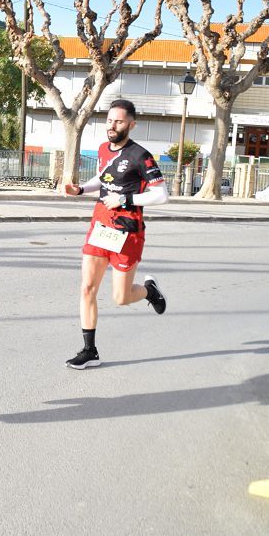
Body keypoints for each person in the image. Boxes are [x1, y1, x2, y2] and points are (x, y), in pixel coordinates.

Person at [62, 99, 169, 369]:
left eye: (119, 121)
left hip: (128, 232)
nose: (112, 125)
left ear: (131, 125)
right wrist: (81, 190)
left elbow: (161, 196)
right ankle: (89, 351)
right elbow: (103, 177)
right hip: (100, 227)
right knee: (87, 288)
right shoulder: (102, 149)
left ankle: (149, 292)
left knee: (120, 298)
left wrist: (125, 200)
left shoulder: (141, 156)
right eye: (110, 120)